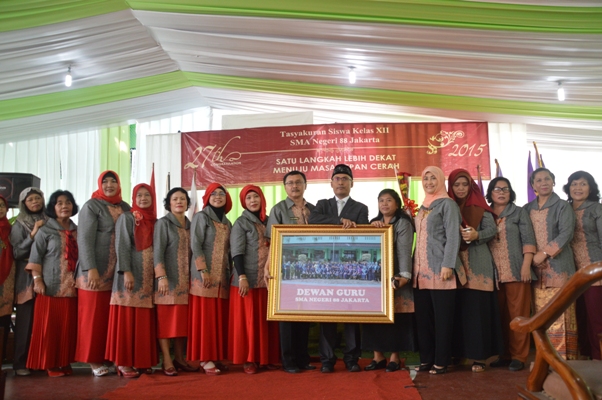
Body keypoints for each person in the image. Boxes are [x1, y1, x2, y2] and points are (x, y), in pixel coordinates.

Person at [308, 164, 369, 373]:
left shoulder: (360, 208)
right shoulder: (322, 205)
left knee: (352, 315)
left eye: (345, 179)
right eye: (337, 179)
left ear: (352, 183)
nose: (341, 182)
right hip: (327, 271)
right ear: (331, 183)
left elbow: (364, 235)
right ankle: (327, 360)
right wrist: (340, 220)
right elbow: (313, 220)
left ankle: (352, 359)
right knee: (327, 315)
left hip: (349, 270)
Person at [75, 171, 131, 376]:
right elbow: (84, 239)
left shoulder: (125, 207)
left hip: (116, 272)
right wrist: (90, 268)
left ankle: (109, 356)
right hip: (94, 272)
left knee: (110, 318)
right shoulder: (92, 206)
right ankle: (92, 360)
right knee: (92, 318)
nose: (109, 185)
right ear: (99, 184)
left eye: (113, 181)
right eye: (105, 182)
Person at [447, 169, 503, 373]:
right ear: (451, 187)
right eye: (456, 185)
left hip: (479, 265)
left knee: (477, 312)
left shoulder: (480, 207)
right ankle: (459, 354)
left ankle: (479, 357)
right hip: (456, 265)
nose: (461, 188)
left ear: (471, 186)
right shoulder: (447, 206)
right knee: (458, 312)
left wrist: (477, 235)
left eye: (465, 184)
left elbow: (492, 230)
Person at [413, 166, 464, 375]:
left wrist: (448, 264)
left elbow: (453, 236)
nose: (429, 182)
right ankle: (426, 359)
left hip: (441, 269)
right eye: (425, 179)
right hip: (420, 271)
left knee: (443, 319)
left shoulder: (448, 204)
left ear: (441, 181)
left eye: (433, 178)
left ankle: (442, 361)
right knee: (424, 320)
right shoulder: (423, 207)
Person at [264, 171, 316, 374]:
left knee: (304, 314)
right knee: (286, 316)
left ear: (305, 185)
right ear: (285, 187)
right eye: (290, 183)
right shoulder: (278, 210)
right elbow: (271, 241)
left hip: (308, 271)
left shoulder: (313, 209)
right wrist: (268, 266)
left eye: (298, 182)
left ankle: (303, 358)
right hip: (285, 270)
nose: (294, 186)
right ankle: (288, 360)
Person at [105, 184, 159, 378]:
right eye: (139, 195)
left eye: (147, 195)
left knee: (143, 320)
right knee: (126, 319)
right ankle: (123, 362)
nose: (143, 198)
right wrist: (126, 271)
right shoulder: (127, 218)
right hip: (129, 275)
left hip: (147, 278)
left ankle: (141, 361)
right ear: (134, 198)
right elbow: (122, 245)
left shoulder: (155, 220)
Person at [524, 167, 577, 360]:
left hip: (559, 267)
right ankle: (545, 360)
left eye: (547, 179)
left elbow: (566, 234)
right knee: (541, 316)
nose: (543, 183)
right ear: (533, 185)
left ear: (553, 182)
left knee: (561, 313)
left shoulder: (562, 206)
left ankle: (564, 361)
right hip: (536, 271)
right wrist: (531, 257)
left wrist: (544, 253)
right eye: (538, 180)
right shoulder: (527, 209)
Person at [25, 190, 79, 377]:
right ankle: (50, 364)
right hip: (50, 286)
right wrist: (37, 280)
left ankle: (64, 361)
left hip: (72, 288)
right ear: (52, 207)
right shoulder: (45, 230)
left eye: (68, 202)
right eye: (59, 203)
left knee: (67, 327)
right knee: (50, 328)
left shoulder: (77, 231)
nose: (64, 206)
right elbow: (35, 257)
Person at [362, 189, 416, 372]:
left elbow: (404, 251)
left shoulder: (403, 223)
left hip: (395, 277)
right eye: (381, 200)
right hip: (375, 279)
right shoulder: (373, 222)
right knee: (374, 317)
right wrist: (372, 229)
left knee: (395, 318)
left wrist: (404, 276)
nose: (384, 204)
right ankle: (377, 357)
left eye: (389, 200)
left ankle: (394, 357)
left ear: (397, 204)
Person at [486, 177, 536, 371]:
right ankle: (504, 355)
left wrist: (526, 265)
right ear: (490, 193)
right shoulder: (485, 213)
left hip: (517, 271)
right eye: (497, 189)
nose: (501, 192)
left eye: (505, 189)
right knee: (500, 316)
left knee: (518, 315)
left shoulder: (519, 212)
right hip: (493, 275)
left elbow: (529, 240)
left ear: (511, 192)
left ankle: (519, 356)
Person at [229, 185, 279, 374]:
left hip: (267, 280)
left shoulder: (269, 220)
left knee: (266, 321)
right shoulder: (241, 223)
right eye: (248, 198)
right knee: (248, 322)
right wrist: (242, 276)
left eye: (255, 197)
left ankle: (266, 358)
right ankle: (248, 360)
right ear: (243, 202)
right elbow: (237, 252)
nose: (253, 201)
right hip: (246, 281)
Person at [189, 183, 233, 375]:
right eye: (213, 193)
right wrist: (203, 270)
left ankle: (215, 356)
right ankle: (204, 357)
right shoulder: (202, 217)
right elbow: (195, 244)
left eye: (221, 193)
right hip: (204, 277)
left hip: (221, 277)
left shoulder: (228, 222)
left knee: (218, 319)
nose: (218, 196)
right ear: (207, 197)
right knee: (205, 319)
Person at [154, 187, 195, 376]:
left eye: (183, 199)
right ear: (169, 203)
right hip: (167, 282)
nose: (179, 202)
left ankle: (179, 358)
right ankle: (167, 360)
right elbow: (158, 252)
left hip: (186, 282)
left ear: (187, 203)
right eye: (175, 199)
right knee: (165, 322)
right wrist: (161, 276)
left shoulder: (191, 225)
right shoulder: (163, 224)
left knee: (181, 323)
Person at [563, 171, 602, 360]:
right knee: (578, 316)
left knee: (596, 317)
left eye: (583, 184)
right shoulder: (564, 209)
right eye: (574, 184)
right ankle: (585, 356)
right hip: (570, 271)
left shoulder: (596, 209)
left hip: (594, 269)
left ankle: (598, 358)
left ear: (591, 188)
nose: (578, 188)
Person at [10, 187, 48, 376]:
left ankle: (40, 361)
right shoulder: (19, 224)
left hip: (47, 276)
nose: (35, 202)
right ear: (23, 203)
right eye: (30, 199)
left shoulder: (50, 219)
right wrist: (33, 234)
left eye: (38, 198)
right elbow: (17, 252)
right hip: (26, 279)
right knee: (25, 322)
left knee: (43, 322)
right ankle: (20, 364)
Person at [0, 195, 15, 362]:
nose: (0, 209)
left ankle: (1, 357)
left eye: (2, 205)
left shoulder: (12, 230)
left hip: (8, 278)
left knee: (4, 319)